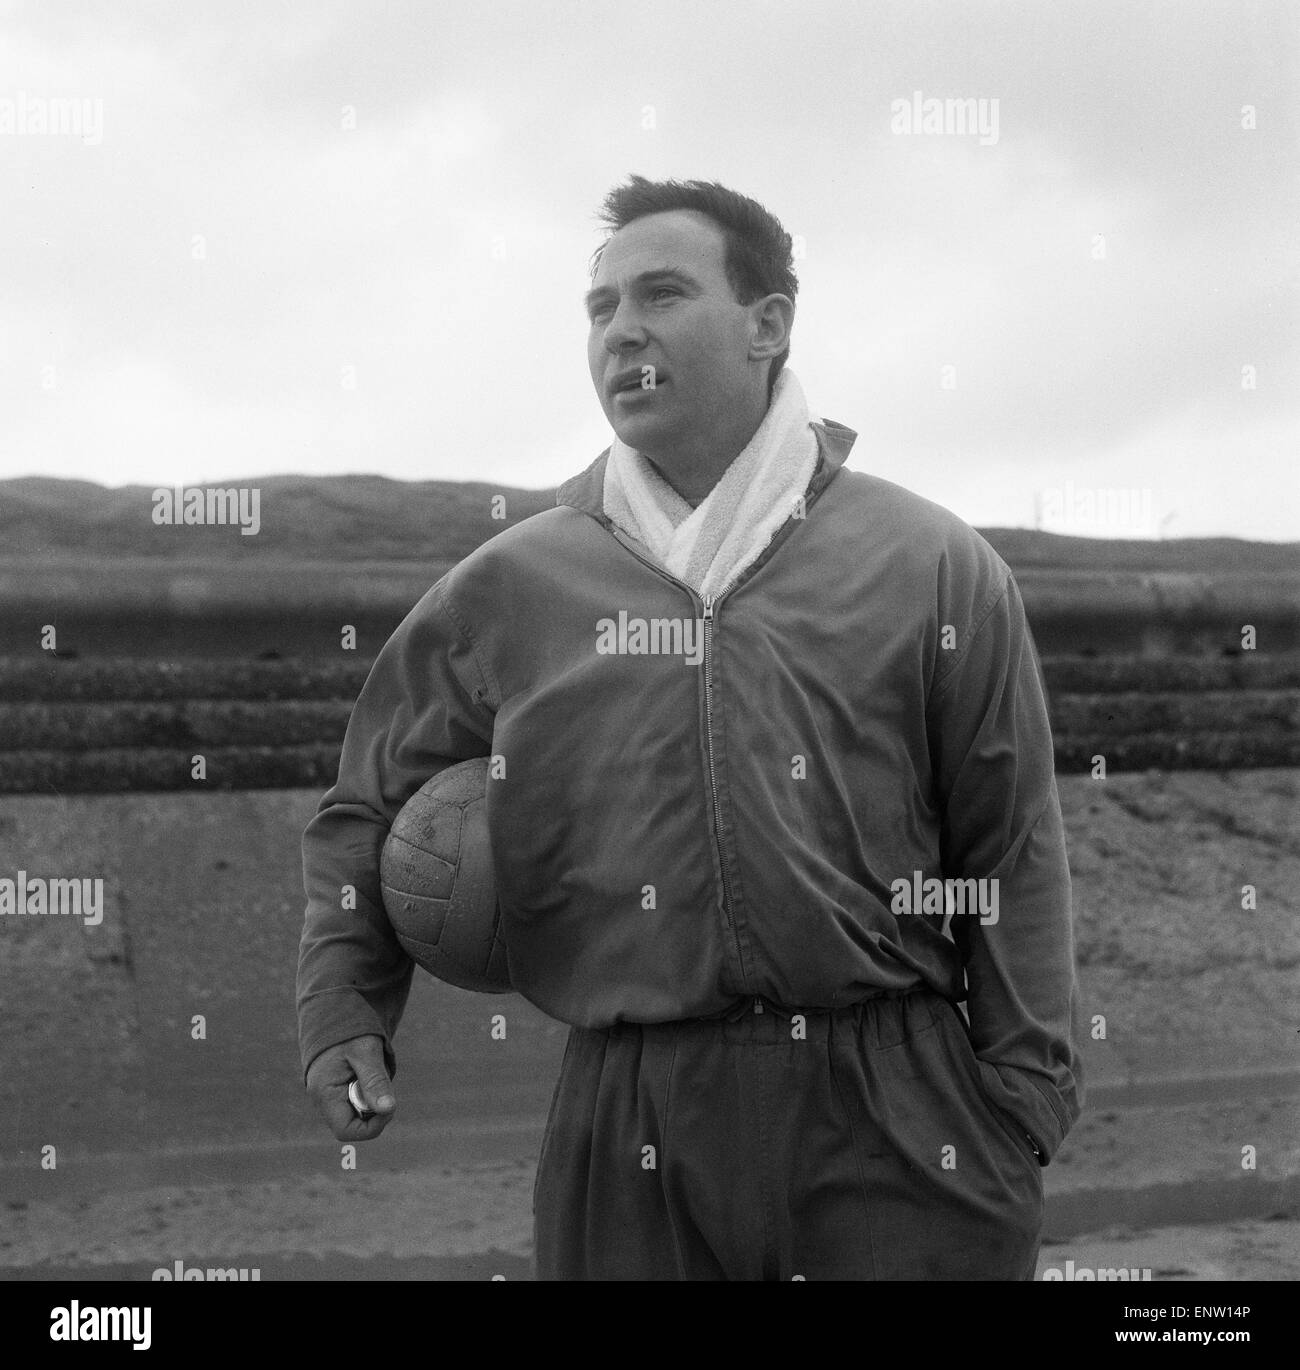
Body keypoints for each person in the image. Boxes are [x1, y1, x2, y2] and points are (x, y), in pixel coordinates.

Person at [296, 175, 1084, 1281]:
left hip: (900, 1100)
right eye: (601, 308)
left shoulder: (930, 562)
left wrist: (1022, 1099)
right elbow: (363, 808)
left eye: (661, 294)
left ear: (768, 325)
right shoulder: (509, 585)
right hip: (627, 1114)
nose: (623, 330)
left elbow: (1010, 842)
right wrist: (343, 1009)